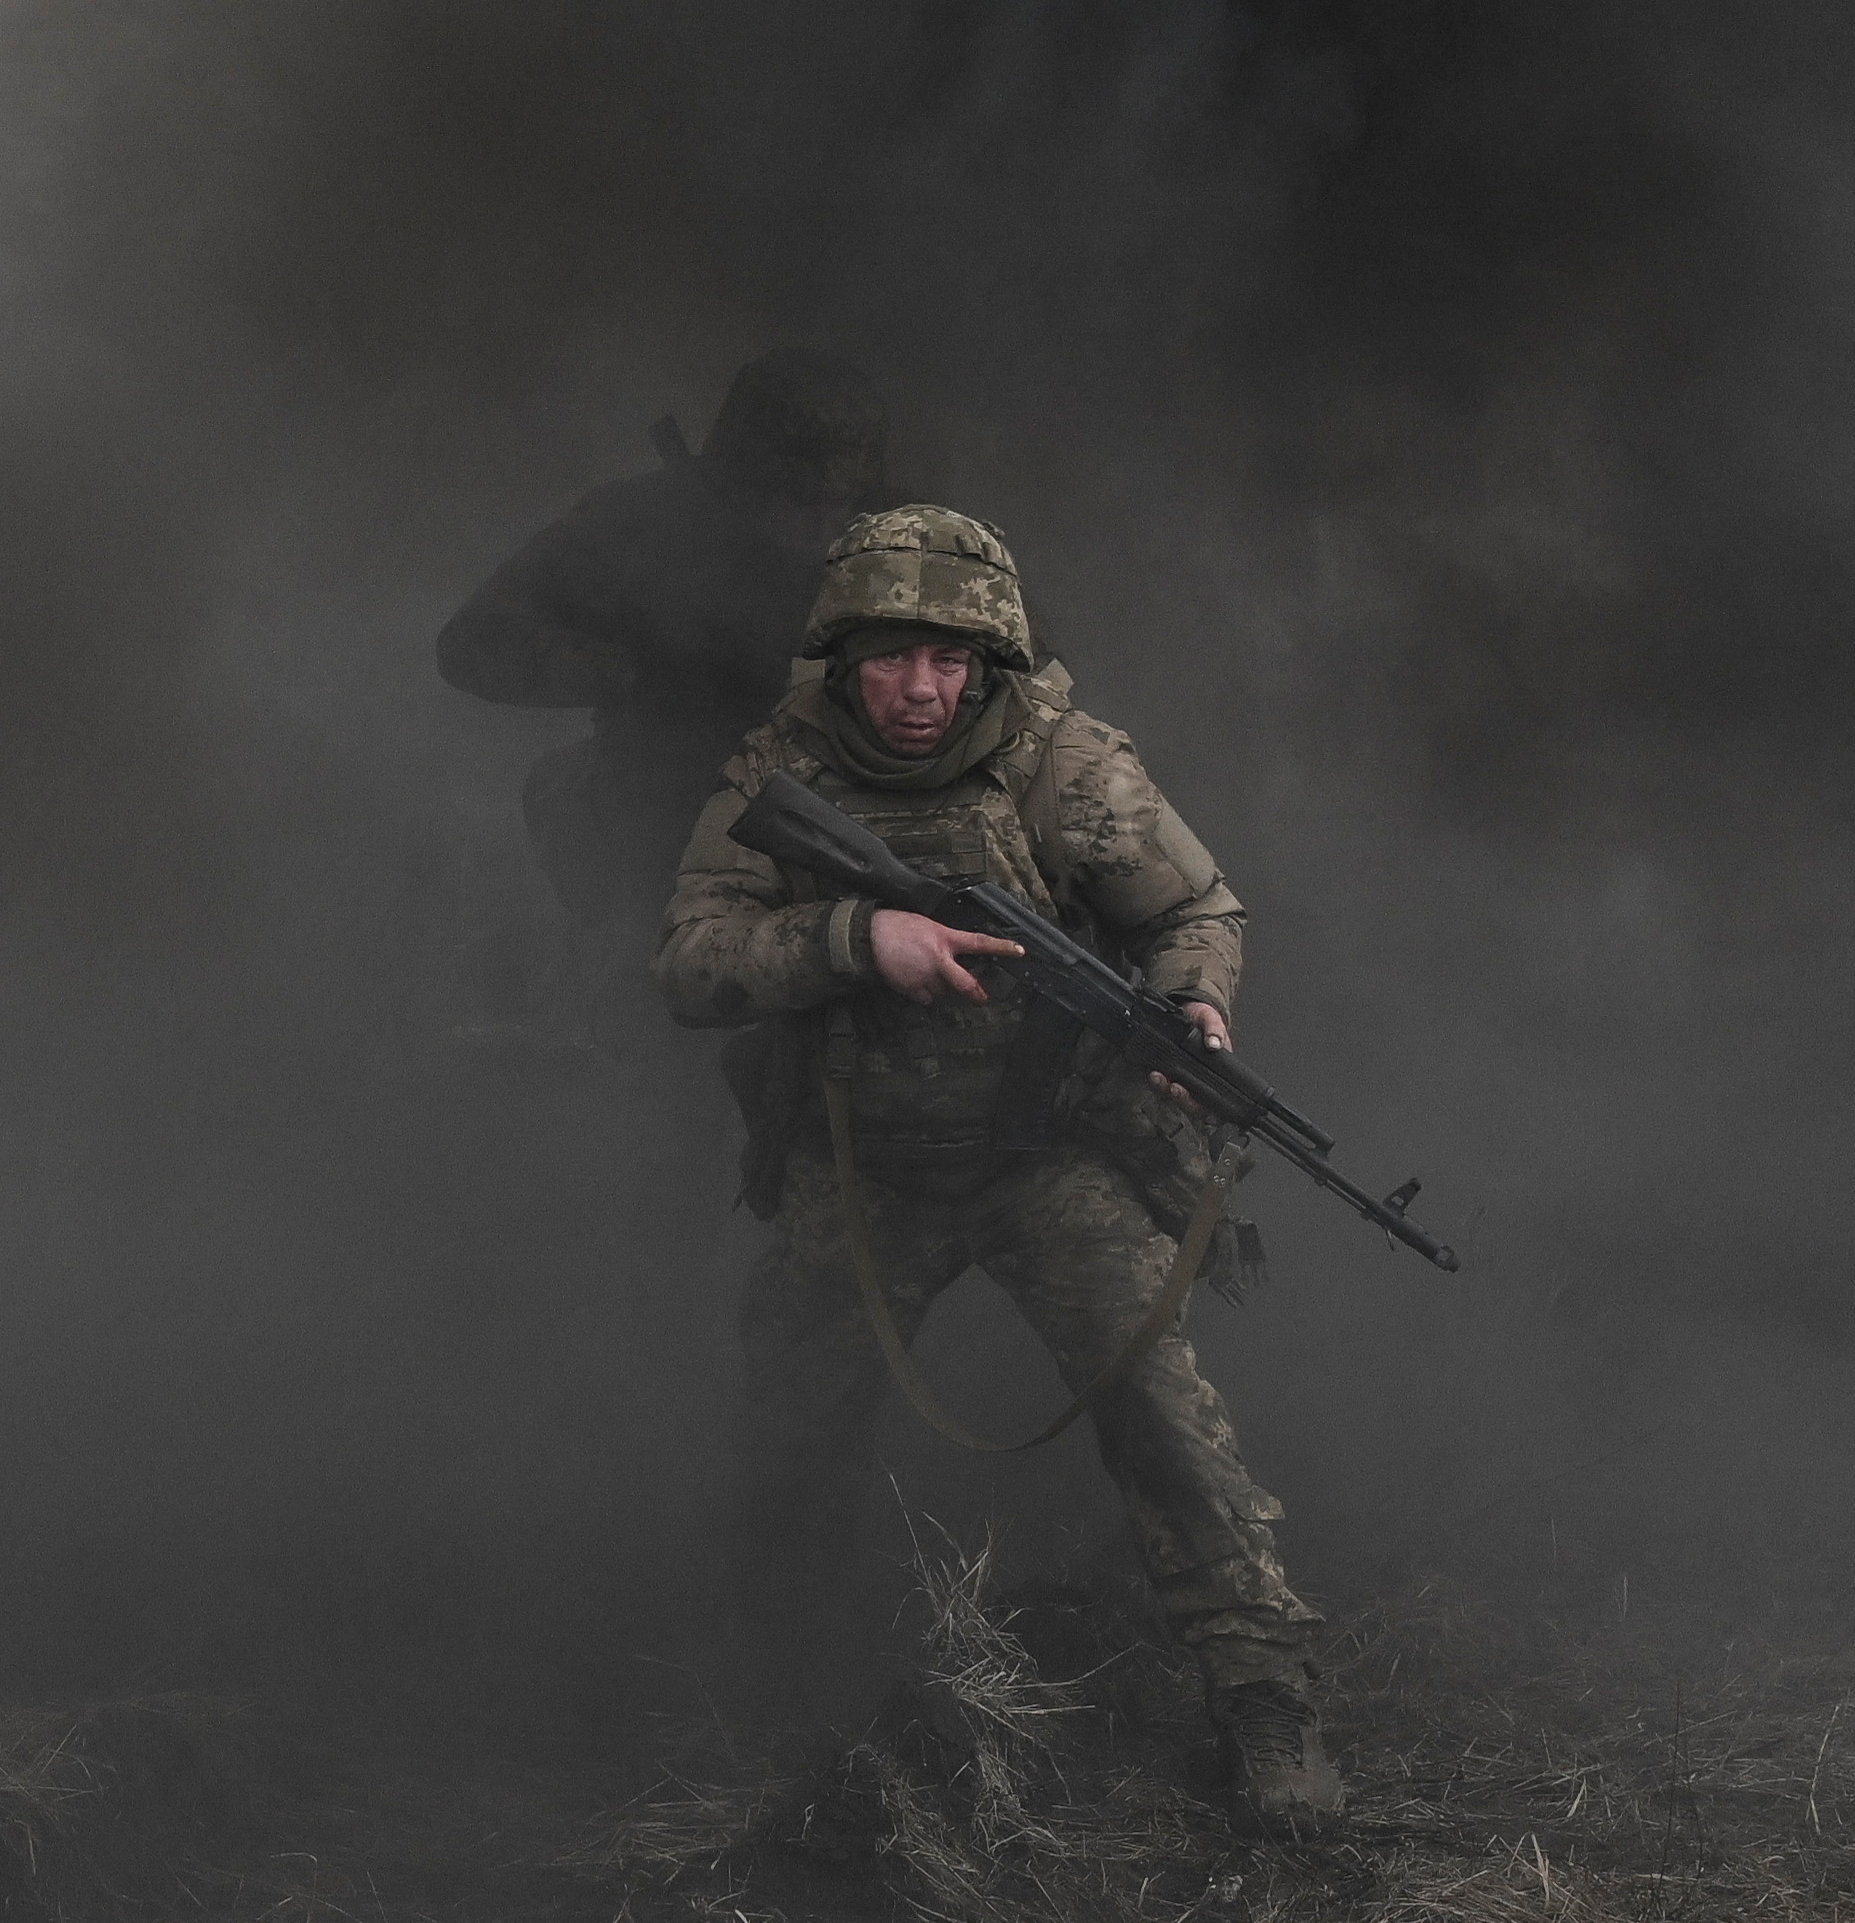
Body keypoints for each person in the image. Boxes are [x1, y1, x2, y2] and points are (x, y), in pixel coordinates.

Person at [653, 503, 1341, 1836]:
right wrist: (858, 940)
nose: (921, 690)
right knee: (790, 1432)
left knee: (1162, 1415)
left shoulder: (1064, 764)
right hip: (864, 1166)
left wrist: (1193, 1008)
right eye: (892, 659)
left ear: (991, 663)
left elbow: (1196, 910)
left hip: (1050, 1158)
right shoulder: (780, 769)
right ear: (843, 655)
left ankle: (1264, 1690)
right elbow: (688, 960)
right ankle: (767, 1692)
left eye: (951, 661)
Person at [435, 350, 893, 936]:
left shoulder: (896, 539)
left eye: (841, 505)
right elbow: (474, 643)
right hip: (666, 829)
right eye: (798, 502)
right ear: (740, 484)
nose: (822, 526)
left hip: (850, 827)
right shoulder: (637, 527)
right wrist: (636, 671)